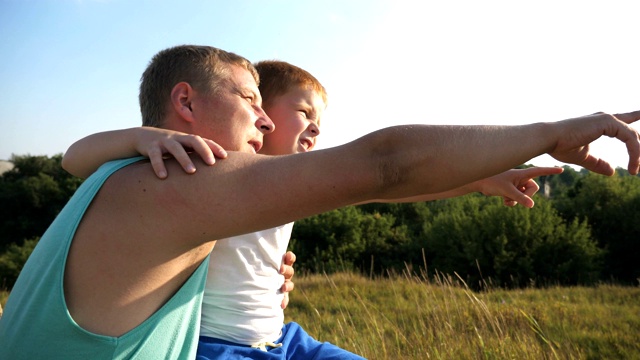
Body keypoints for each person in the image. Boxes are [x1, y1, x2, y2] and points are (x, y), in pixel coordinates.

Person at [0, 44, 638, 359]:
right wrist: (550, 131)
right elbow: (382, 166)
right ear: (188, 103)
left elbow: (376, 186)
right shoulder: (175, 179)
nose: (264, 119)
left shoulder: (165, 178)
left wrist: (476, 178)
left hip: (276, 336)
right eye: (250, 99)